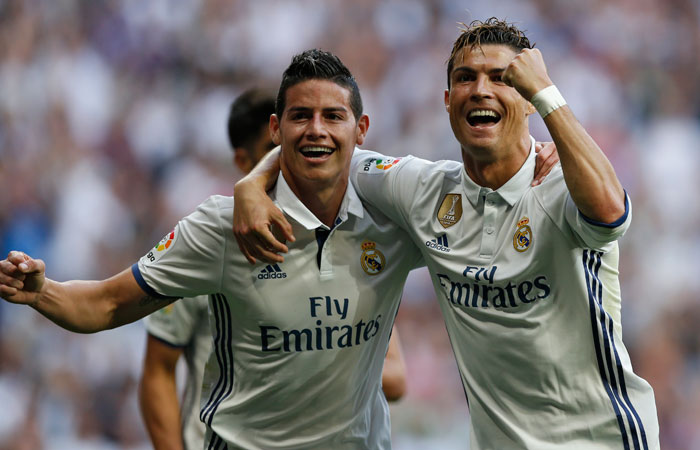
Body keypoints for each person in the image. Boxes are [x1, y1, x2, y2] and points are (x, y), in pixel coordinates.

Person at [232, 18, 660, 449]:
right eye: (465, 78)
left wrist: (547, 95)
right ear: (447, 100)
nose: (480, 90)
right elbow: (330, 149)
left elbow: (609, 210)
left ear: (529, 99)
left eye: (502, 78)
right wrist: (250, 183)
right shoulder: (423, 191)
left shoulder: (563, 184)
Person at [0, 49, 429, 449]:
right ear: (277, 129)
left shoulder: (391, 216)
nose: (317, 129)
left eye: (333, 116)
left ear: (362, 129)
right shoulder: (222, 228)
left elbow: (397, 378)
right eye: (301, 116)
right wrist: (42, 292)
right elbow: (108, 304)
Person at [138, 87, 410, 450]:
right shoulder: (212, 244)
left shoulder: (345, 240)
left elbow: (396, 379)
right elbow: (157, 370)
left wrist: (313, 360)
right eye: (273, 154)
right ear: (242, 160)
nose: (292, 163)